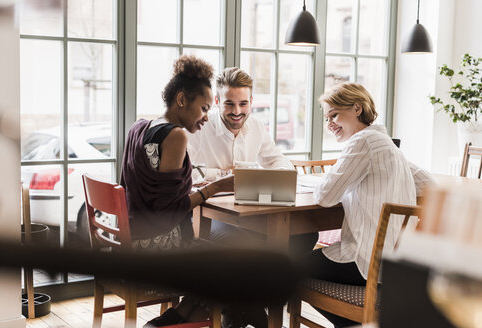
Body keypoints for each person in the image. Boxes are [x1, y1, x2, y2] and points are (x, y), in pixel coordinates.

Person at [120, 55, 233, 327]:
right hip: (157, 248)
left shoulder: (142, 126)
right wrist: (216, 187)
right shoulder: (176, 135)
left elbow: (156, 189)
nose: (207, 117)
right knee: (230, 264)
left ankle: (173, 320)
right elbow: (169, 211)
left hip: (134, 240)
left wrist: (195, 188)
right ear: (182, 100)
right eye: (204, 108)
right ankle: (243, 317)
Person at [301, 82, 420, 327]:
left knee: (289, 269)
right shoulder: (387, 145)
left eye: (334, 114)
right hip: (396, 265)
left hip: (362, 261)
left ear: (357, 108)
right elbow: (428, 183)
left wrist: (333, 174)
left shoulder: (363, 142)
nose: (330, 123)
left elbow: (325, 196)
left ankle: (353, 325)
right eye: (326, 118)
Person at [187, 67, 317, 256]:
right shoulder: (198, 127)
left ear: (251, 102)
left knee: (305, 235)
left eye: (243, 103)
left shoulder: (255, 126)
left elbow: (277, 159)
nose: (237, 111)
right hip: (206, 212)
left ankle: (268, 280)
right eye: (229, 104)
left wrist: (275, 175)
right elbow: (183, 173)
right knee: (243, 244)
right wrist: (222, 175)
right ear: (217, 101)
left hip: (247, 212)